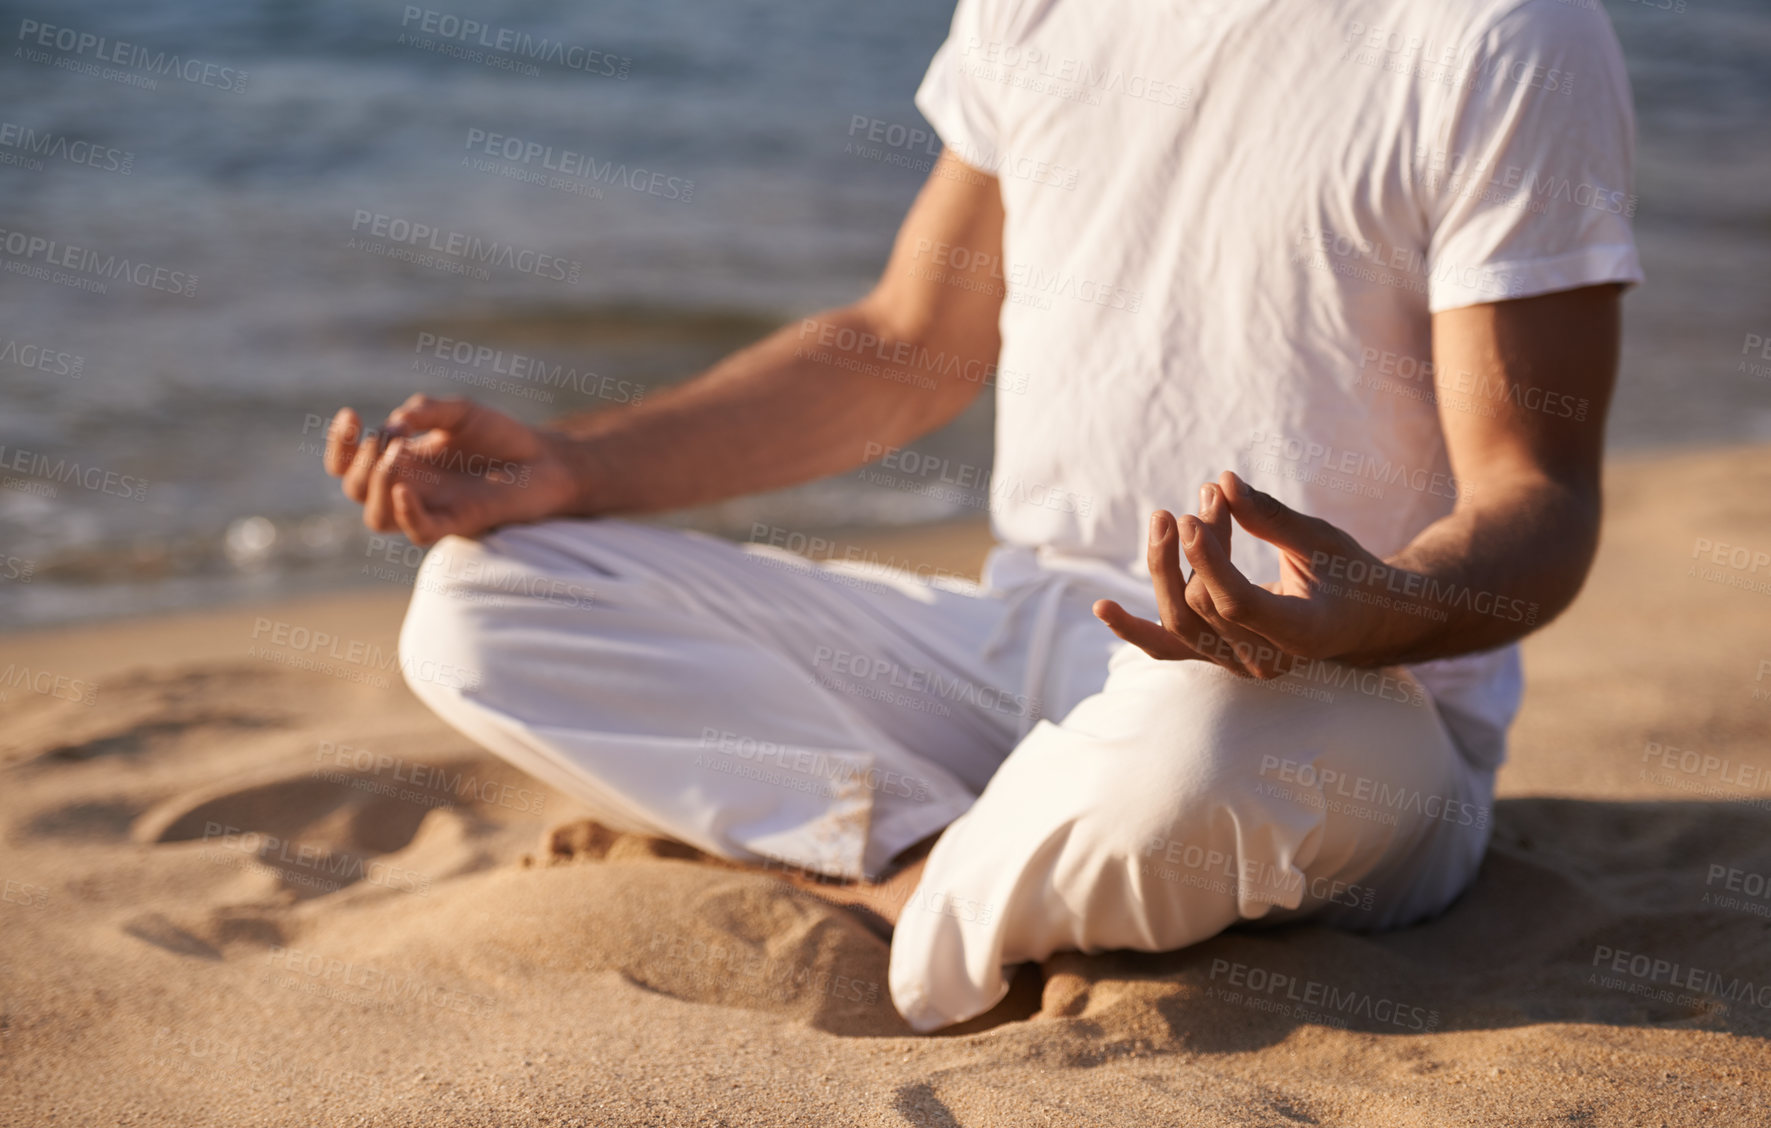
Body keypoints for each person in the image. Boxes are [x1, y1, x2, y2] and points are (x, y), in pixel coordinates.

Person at [323, 0, 1640, 1032]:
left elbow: (1536, 495)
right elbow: (905, 343)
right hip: (1020, 647)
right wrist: (569, 464)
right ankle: (921, 855)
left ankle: (927, 897)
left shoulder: (1503, 33)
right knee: (487, 606)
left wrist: (1365, 615)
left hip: (1336, 707)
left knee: (1197, 751)